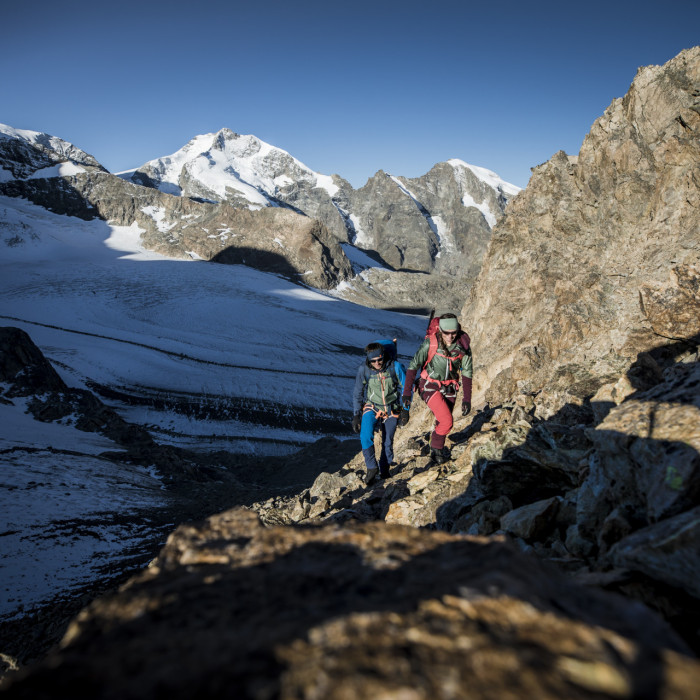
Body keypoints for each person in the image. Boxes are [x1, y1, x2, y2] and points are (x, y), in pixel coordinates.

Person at [401, 313, 472, 464]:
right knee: (447, 421)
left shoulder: (463, 346)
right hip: (429, 385)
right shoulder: (431, 343)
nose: (450, 336)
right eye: (447, 333)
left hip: (451, 388)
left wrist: (467, 399)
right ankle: (437, 450)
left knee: (442, 421)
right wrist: (407, 394)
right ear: (440, 330)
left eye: (453, 333)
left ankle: (436, 450)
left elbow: (467, 372)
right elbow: (413, 366)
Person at [352, 341, 406, 485]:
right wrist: (356, 415)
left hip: (392, 407)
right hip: (372, 406)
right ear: (369, 360)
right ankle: (371, 468)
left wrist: (405, 410)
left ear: (384, 356)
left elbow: (407, 389)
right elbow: (358, 393)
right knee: (365, 435)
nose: (377, 363)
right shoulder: (364, 370)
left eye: (380, 359)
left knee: (387, 442)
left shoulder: (395, 367)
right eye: (373, 360)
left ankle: (384, 469)